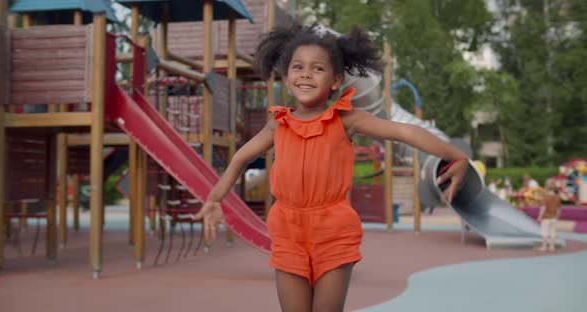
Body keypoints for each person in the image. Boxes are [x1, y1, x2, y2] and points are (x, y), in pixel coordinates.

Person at [192, 24, 469, 312]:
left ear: (335, 80)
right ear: (287, 77)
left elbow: (405, 132)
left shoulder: (346, 120)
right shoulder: (279, 123)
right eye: (297, 67)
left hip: (334, 231)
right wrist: (214, 198)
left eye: (317, 69)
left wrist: (456, 155)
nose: (306, 74)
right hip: (287, 230)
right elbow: (240, 157)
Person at [538, 178, 561, 252]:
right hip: (554, 217)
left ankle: (544, 246)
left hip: (546, 217)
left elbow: (543, 208)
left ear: (546, 187)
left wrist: (540, 216)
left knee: (544, 232)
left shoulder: (545, 197)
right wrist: (557, 216)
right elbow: (558, 209)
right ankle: (552, 246)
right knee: (553, 232)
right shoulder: (557, 197)